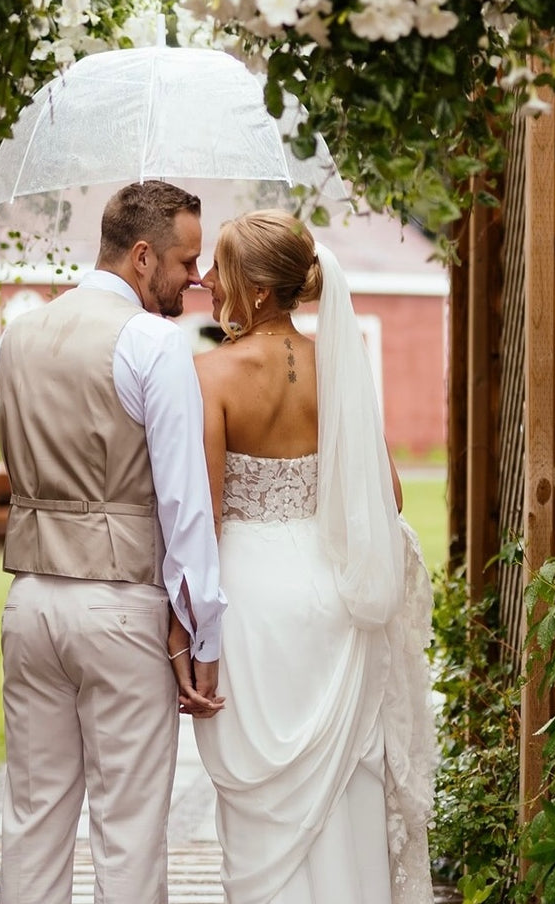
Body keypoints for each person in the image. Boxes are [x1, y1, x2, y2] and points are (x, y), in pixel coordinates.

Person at [168, 209, 437, 904]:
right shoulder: (338, 366)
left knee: (265, 816)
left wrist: (185, 630)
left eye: (220, 270)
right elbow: (392, 497)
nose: (208, 284)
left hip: (253, 601)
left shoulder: (210, 374)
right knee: (345, 794)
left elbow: (206, 516)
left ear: (257, 289)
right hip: (332, 596)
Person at [0, 180, 227, 904]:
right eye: (186, 263)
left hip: (29, 603)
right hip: (120, 607)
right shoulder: (154, 344)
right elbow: (184, 504)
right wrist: (201, 638)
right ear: (142, 255)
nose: (194, 281)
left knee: (33, 821)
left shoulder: (20, 332)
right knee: (127, 831)